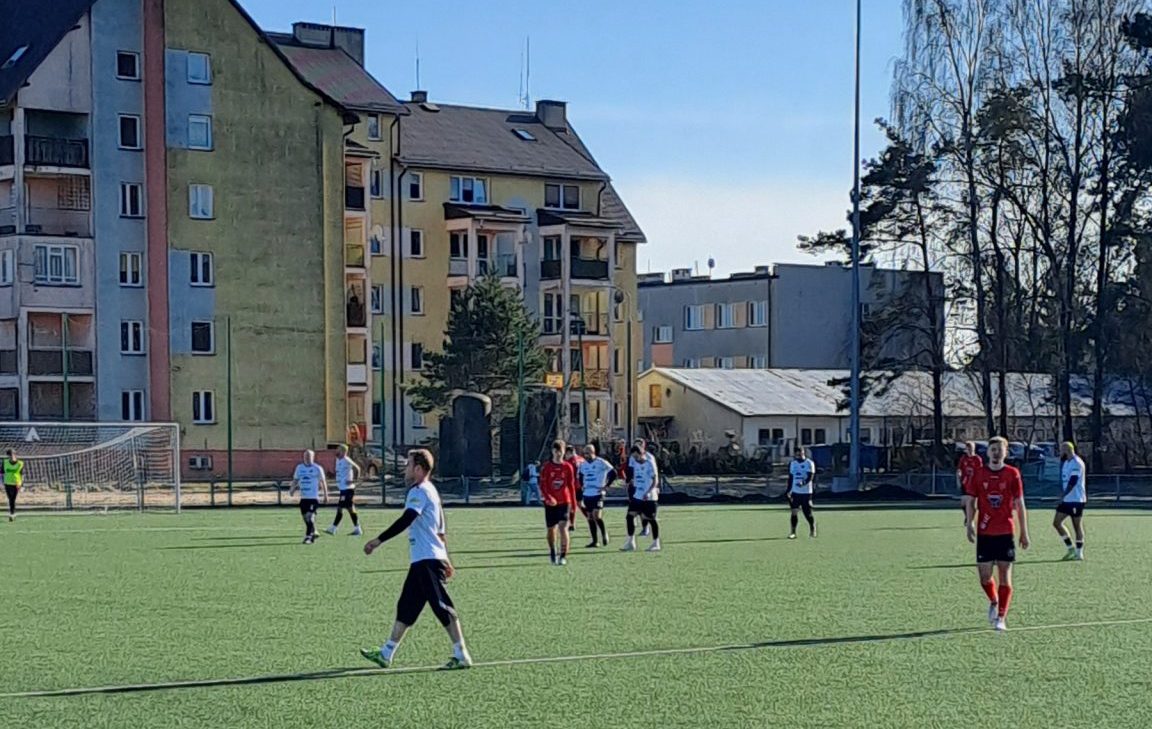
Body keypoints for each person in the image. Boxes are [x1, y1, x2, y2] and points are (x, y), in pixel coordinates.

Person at [360, 449, 472, 670]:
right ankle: (386, 653)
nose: (405, 469)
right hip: (424, 559)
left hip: (427, 560)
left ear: (419, 469)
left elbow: (407, 519)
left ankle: (462, 654)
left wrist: (378, 540)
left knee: (442, 606)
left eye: (409, 464)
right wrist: (446, 558)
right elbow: (440, 531)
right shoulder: (431, 491)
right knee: (407, 607)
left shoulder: (419, 491)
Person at [964, 436, 1030, 632]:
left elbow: (1020, 504)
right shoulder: (979, 474)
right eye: (993, 449)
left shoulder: (1012, 474)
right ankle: (994, 601)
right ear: (987, 452)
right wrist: (970, 523)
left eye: (1000, 449)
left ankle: (1001, 617)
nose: (996, 453)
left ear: (1006, 452)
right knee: (984, 577)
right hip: (985, 533)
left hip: (1005, 532)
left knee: (1004, 576)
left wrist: (1024, 532)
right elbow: (971, 501)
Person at [540, 440, 577, 565]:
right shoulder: (546, 467)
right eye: (556, 451)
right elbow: (543, 485)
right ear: (552, 451)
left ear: (564, 451)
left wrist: (573, 505)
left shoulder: (568, 467)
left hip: (564, 502)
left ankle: (563, 556)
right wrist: (548, 497)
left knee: (563, 527)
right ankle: (552, 551)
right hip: (550, 504)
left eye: (560, 451)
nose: (558, 454)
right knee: (551, 529)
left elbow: (571, 486)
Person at [622, 444, 661, 552]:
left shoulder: (649, 463)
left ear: (642, 453)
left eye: (637, 456)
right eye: (634, 457)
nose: (635, 459)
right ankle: (631, 542)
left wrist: (649, 492)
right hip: (638, 495)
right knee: (630, 516)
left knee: (650, 519)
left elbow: (655, 480)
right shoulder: (635, 464)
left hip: (649, 497)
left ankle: (656, 543)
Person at [1053, 442, 1086, 561]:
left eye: (1062, 449)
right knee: (1057, 523)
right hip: (1067, 500)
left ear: (1067, 450)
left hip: (1076, 499)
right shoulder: (1066, 462)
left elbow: (1073, 481)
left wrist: (1063, 495)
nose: (1060, 451)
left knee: (1077, 526)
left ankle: (1079, 553)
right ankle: (1070, 548)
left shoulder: (1077, 463)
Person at [578, 444, 616, 547]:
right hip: (587, 493)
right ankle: (595, 541)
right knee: (590, 517)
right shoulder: (583, 464)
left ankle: (604, 534)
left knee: (597, 516)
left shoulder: (601, 462)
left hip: (598, 493)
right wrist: (582, 486)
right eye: (585, 453)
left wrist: (606, 486)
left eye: (588, 453)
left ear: (593, 452)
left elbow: (614, 473)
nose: (586, 455)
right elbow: (580, 475)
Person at [288, 450, 328, 544]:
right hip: (303, 498)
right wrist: (292, 489)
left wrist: (326, 495)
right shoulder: (299, 468)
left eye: (309, 456)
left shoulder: (317, 468)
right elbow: (296, 480)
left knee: (310, 517)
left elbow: (323, 482)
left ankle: (308, 537)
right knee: (305, 518)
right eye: (306, 456)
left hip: (313, 497)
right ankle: (314, 531)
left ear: (313, 457)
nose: (307, 458)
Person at [326, 444, 362, 536]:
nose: (336, 451)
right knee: (350, 509)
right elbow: (339, 472)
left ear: (343, 451)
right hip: (342, 488)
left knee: (340, 508)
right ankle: (357, 529)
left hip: (348, 489)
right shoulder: (338, 460)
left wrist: (354, 480)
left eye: (338, 449)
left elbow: (357, 468)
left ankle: (333, 528)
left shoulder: (346, 459)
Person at [786, 447, 817, 539]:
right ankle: (793, 532)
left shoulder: (809, 463)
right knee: (794, 512)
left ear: (804, 453)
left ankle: (812, 528)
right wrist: (788, 490)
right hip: (795, 492)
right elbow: (791, 478)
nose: (800, 454)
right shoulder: (793, 464)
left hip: (806, 492)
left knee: (807, 513)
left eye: (801, 452)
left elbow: (810, 477)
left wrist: (803, 483)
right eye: (798, 453)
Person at [633, 438, 658, 536]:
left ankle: (651, 532)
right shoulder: (634, 457)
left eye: (640, 444)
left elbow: (654, 474)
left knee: (649, 512)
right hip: (638, 487)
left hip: (648, 488)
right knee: (639, 510)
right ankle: (644, 527)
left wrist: (654, 486)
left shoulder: (649, 458)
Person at [957, 441, 982, 523]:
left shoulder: (977, 459)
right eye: (967, 448)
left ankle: (970, 519)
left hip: (974, 484)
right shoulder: (963, 458)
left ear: (974, 448)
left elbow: (980, 472)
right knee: (963, 503)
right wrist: (959, 478)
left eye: (971, 448)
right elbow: (959, 469)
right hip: (965, 483)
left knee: (971, 503)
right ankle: (968, 517)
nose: (969, 450)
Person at [564, 445, 585, 532]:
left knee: (571, 504)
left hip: (573, 486)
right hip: (581, 485)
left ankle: (572, 524)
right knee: (580, 504)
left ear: (569, 452)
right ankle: (590, 518)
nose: (565, 455)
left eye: (565, 453)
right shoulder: (581, 459)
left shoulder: (570, 461)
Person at [4, 449, 23, 522]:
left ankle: (12, 513)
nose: (12, 456)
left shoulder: (20, 463)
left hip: (16, 483)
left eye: (14, 454)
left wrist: (22, 484)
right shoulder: (5, 462)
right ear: (8, 456)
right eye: (11, 455)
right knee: (10, 499)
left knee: (13, 499)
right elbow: (1, 472)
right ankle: (12, 513)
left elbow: (21, 474)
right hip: (7, 483)